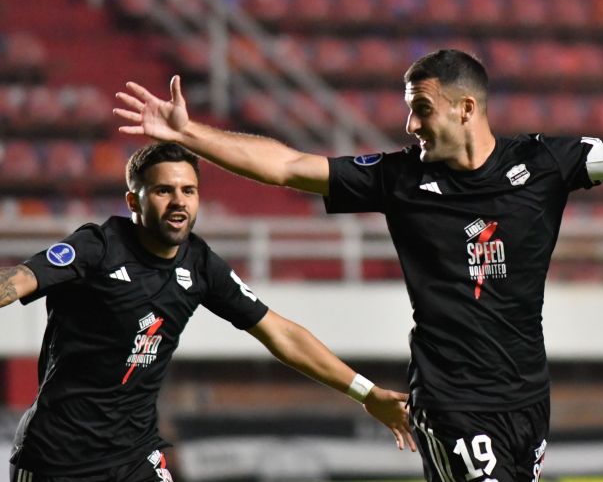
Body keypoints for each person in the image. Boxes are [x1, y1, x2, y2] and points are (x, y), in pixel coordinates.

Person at [114, 49, 603, 481]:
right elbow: (286, 167)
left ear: (466, 108)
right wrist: (193, 136)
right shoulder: (399, 178)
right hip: (451, 397)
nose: (410, 124)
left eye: (421, 108)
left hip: (527, 395)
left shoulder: (549, 163)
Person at [1, 142, 415, 482]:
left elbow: (280, 333)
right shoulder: (98, 246)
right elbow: (19, 279)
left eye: (188, 190)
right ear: (134, 200)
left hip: (134, 457)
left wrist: (367, 392)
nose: (178, 201)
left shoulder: (199, 264)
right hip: (56, 459)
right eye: (164, 190)